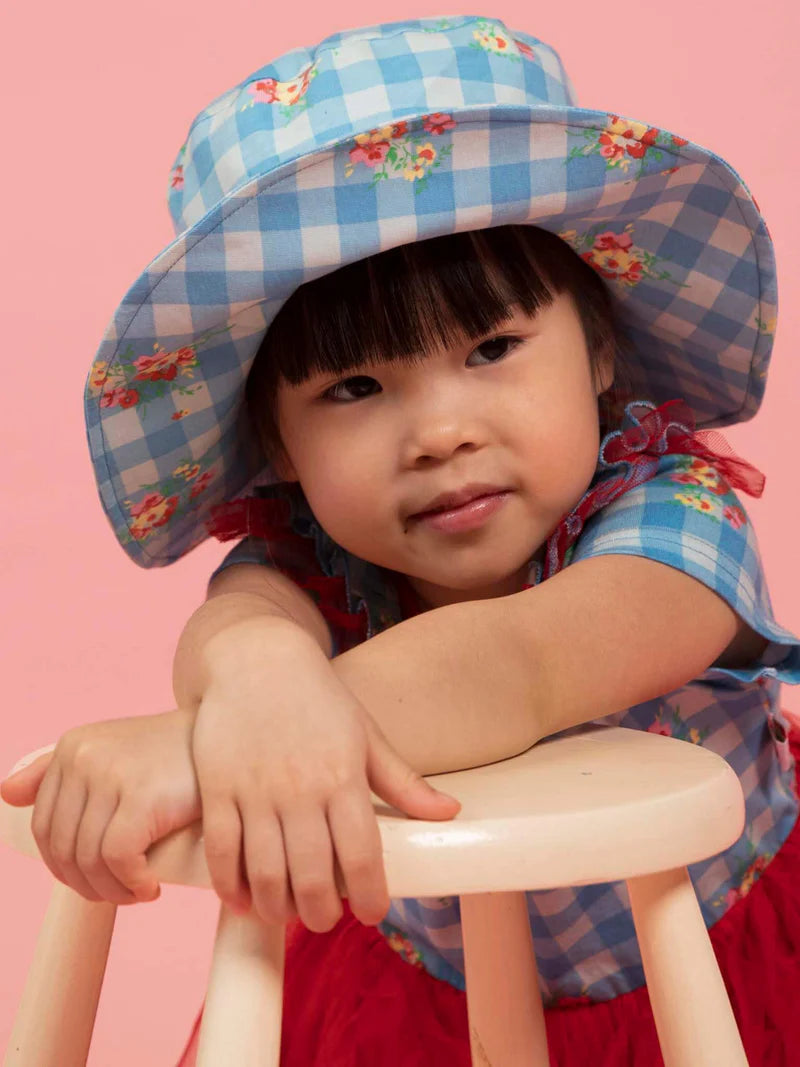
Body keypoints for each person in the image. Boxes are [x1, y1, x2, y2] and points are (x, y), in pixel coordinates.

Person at [2, 14, 800, 1065]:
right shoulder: (317, 558)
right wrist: (254, 674)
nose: (439, 433)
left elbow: (517, 663)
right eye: (354, 387)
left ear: (599, 346)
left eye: (492, 347)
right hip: (420, 990)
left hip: (716, 956)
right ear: (277, 443)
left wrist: (198, 753)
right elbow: (235, 627)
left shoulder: (673, 520)